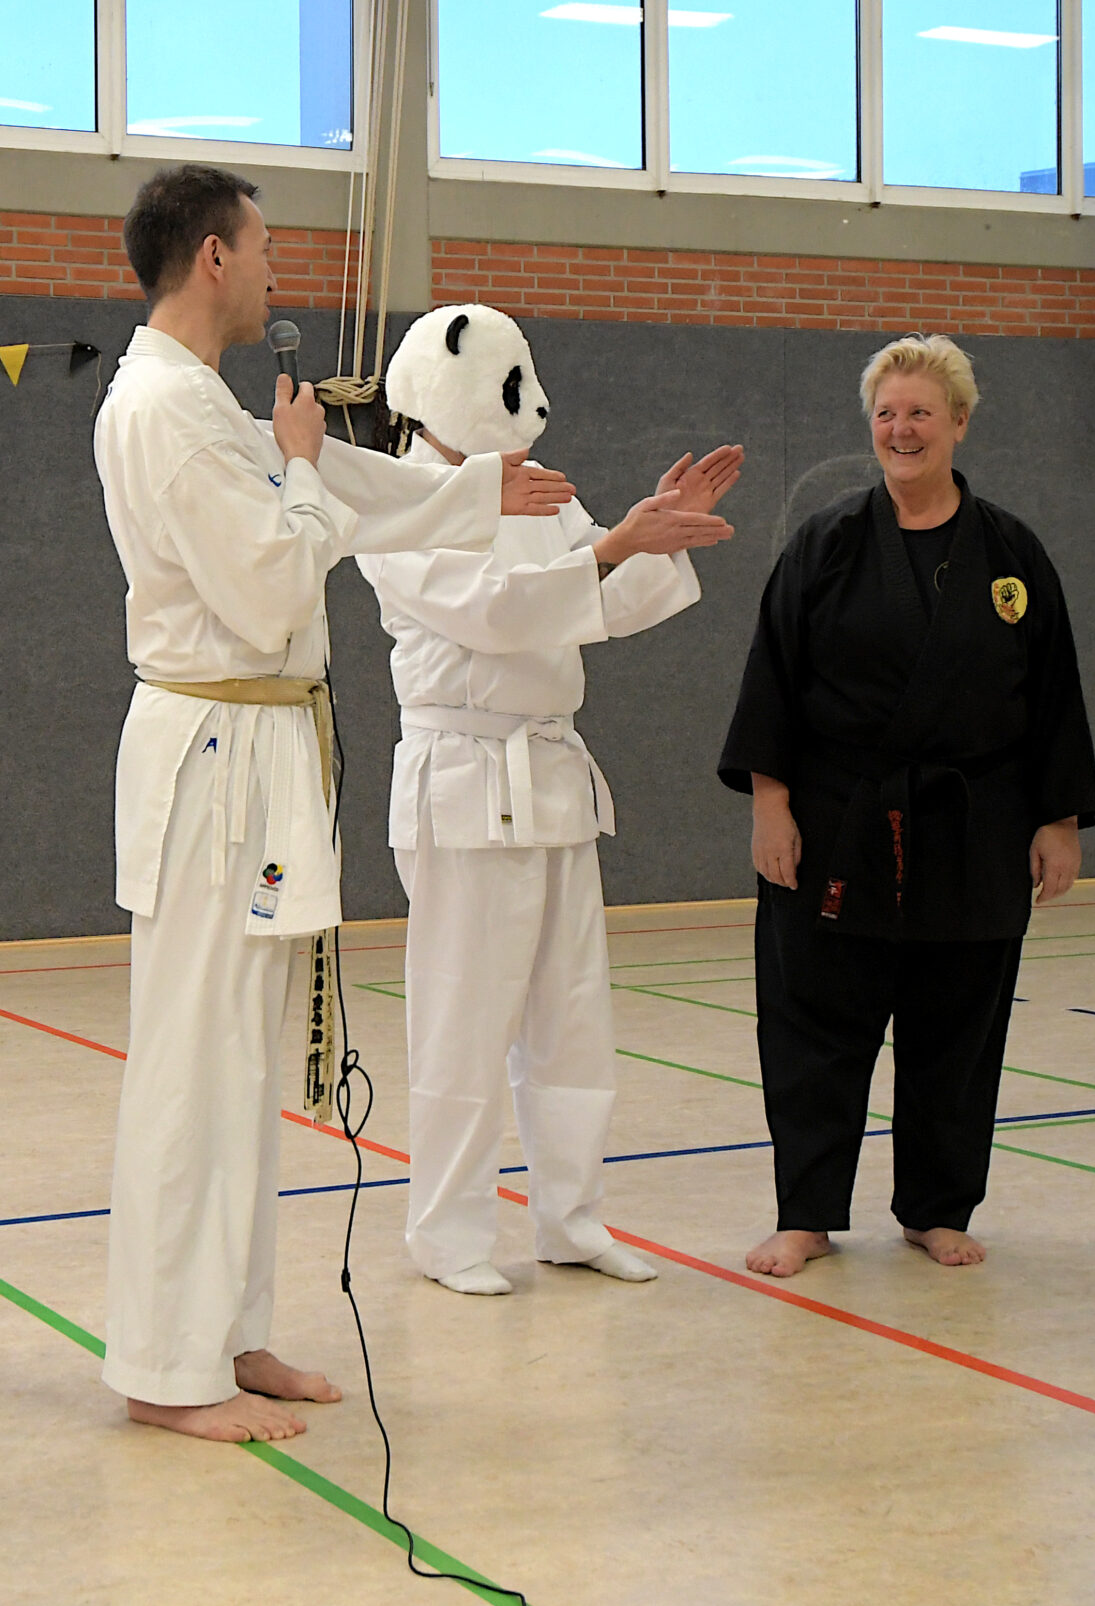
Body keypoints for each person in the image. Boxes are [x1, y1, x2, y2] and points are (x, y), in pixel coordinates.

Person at [94, 165, 576, 1443]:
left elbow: (338, 488)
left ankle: (226, 1330)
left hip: (253, 747)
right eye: (261, 246)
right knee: (196, 1064)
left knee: (242, 1062)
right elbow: (271, 576)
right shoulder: (161, 407)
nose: (274, 269)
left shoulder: (199, 401)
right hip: (214, 751)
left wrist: (474, 491)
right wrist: (307, 467)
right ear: (211, 255)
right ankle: (164, 1365)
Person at [363, 302, 742, 1295]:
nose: (529, 408)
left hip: (552, 775)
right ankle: (447, 1235)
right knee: (463, 1022)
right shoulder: (398, 499)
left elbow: (598, 604)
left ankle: (570, 1220)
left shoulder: (534, 490)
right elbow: (493, 613)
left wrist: (652, 537)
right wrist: (612, 548)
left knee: (572, 1019)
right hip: (462, 776)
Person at [718, 333, 1095, 1278]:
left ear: (959, 422)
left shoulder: (1011, 554)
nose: (901, 429)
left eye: (921, 412)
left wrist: (1057, 820)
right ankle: (807, 1213)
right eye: (886, 413)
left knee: (957, 1031)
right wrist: (771, 805)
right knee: (813, 1025)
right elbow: (773, 676)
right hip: (837, 818)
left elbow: (1053, 692)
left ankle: (936, 1207)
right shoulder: (827, 544)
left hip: (974, 822)